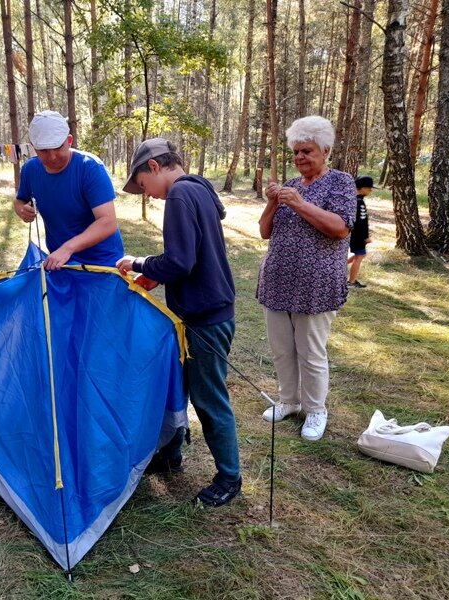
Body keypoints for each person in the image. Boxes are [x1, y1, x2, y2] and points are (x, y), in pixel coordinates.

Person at [116, 138, 241, 508]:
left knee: (208, 398)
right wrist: (157, 275)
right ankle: (170, 455)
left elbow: (180, 262)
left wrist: (139, 263)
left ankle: (229, 477)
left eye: (142, 185)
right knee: (176, 385)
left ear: (154, 167)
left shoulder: (180, 197)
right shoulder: (198, 189)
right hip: (197, 313)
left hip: (205, 319)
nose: (147, 195)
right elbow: (190, 258)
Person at [257, 116, 356, 441]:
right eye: (296, 152)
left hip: (316, 285)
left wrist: (299, 204)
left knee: (311, 352)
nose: (300, 157)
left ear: (325, 150)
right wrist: (273, 202)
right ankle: (289, 400)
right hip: (278, 281)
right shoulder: (291, 185)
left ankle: (316, 410)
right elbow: (264, 232)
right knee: (282, 350)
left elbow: (340, 228)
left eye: (307, 151)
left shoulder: (341, 182)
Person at [13, 110, 124, 269]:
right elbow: (19, 200)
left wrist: (68, 248)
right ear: (33, 147)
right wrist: (21, 209)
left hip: (101, 262)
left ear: (69, 140)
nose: (52, 157)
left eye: (58, 147)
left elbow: (107, 222)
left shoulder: (90, 167)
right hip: (61, 262)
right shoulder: (30, 169)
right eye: (44, 150)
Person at [348, 176, 373, 288]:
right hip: (357, 235)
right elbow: (360, 222)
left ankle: (340, 265)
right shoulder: (359, 202)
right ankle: (352, 282)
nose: (370, 190)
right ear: (362, 188)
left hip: (354, 234)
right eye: (369, 188)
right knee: (359, 256)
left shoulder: (354, 200)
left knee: (359, 255)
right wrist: (365, 237)